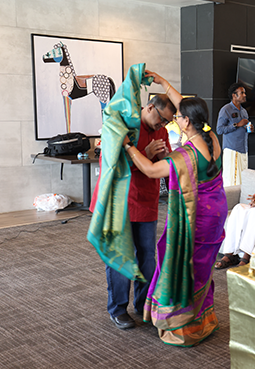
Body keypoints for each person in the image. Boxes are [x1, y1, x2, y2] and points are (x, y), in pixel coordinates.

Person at [122, 71, 228, 346]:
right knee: (203, 265)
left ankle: (184, 326)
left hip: (197, 218)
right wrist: (162, 82)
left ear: (187, 122)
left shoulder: (185, 156)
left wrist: (129, 146)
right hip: (217, 212)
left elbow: (150, 169)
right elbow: (186, 106)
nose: (174, 120)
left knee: (186, 265)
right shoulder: (211, 137)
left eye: (177, 117)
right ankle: (204, 318)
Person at [88, 65, 176, 331]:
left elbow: (162, 165)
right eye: (161, 119)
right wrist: (145, 154)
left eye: (167, 123)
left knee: (147, 257)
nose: (162, 126)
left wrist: (164, 158)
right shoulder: (121, 125)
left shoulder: (161, 131)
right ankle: (117, 309)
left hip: (146, 202)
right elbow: (111, 166)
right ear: (149, 107)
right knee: (120, 256)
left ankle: (142, 304)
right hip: (120, 203)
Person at [217, 83, 251, 187]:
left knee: (243, 180)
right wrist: (236, 125)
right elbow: (219, 130)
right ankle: (230, 198)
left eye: (244, 93)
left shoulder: (244, 111)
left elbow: (243, 128)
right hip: (232, 149)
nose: (245, 95)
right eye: (242, 93)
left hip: (243, 149)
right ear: (234, 95)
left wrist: (249, 128)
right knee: (232, 181)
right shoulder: (226, 109)